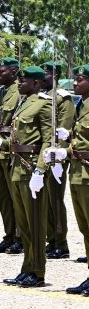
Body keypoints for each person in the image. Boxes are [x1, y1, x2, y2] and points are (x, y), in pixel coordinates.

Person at [0, 66, 51, 288]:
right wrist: (2, 143)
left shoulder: (43, 104)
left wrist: (40, 169)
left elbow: (47, 141)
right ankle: (27, 268)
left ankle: (38, 272)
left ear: (36, 83)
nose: (19, 83)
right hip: (16, 168)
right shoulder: (23, 102)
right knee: (24, 224)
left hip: (30, 170)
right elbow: (18, 140)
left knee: (36, 223)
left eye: (24, 80)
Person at [41, 60, 75, 260]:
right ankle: (50, 239)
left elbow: (64, 130)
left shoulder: (63, 98)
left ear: (56, 76)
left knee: (55, 200)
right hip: (42, 154)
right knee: (44, 201)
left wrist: (59, 158)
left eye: (46, 74)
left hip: (56, 156)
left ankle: (61, 243)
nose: (43, 78)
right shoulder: (41, 97)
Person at [0, 57, 21, 254]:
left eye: (2, 71)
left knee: (16, 197)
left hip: (10, 149)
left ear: (14, 72)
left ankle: (20, 237)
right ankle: (9, 235)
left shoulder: (19, 92)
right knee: (3, 197)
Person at [64, 64, 89, 296]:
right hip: (78, 171)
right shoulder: (80, 105)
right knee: (85, 227)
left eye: (79, 79)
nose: (75, 83)